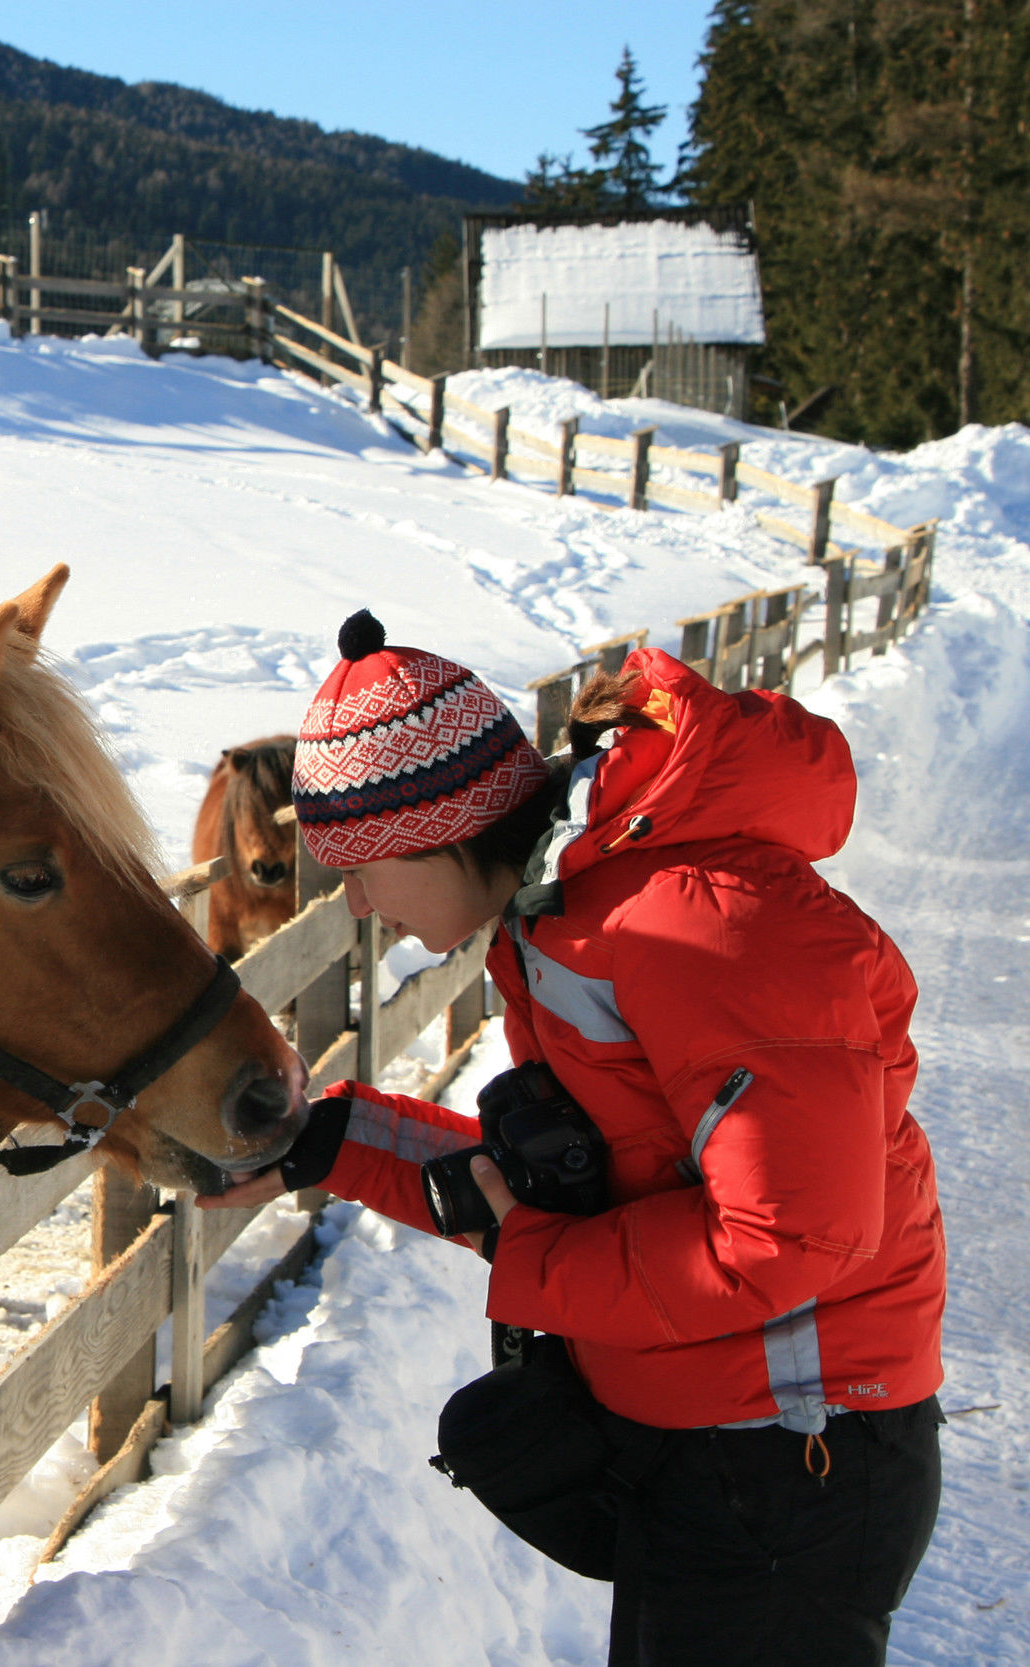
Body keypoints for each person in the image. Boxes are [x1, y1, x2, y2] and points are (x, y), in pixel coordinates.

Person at [204, 609, 946, 1666]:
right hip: (710, 1434)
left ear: (445, 827)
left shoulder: (694, 927)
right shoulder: (568, 918)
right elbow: (576, 1186)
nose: (358, 903)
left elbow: (788, 1236)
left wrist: (537, 1259)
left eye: (362, 866)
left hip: (792, 1448)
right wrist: (324, 1143)